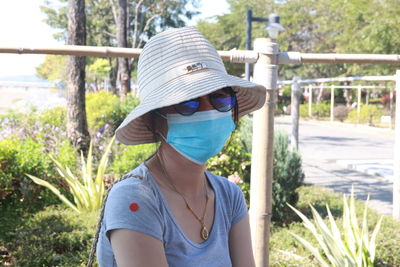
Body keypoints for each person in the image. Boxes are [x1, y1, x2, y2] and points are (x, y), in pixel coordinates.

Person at [89, 26, 266, 267]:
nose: (208, 111)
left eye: (220, 98)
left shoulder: (229, 196)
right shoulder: (135, 198)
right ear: (155, 119)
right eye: (187, 102)